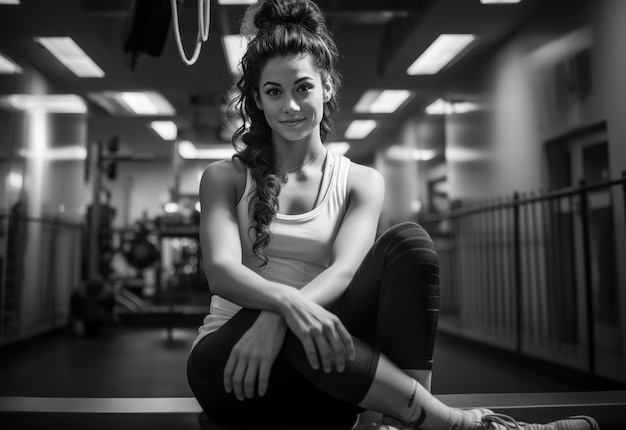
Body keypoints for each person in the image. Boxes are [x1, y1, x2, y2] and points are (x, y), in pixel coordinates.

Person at [187, 1, 600, 429]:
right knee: (304, 321)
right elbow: (220, 271)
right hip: (232, 369)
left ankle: (409, 418)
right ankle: (459, 426)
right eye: (274, 91)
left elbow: (346, 270)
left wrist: (282, 316)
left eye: (303, 87)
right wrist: (287, 306)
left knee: (409, 242)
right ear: (257, 97)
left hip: (329, 373)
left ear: (327, 86)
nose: (290, 105)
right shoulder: (224, 177)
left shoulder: (360, 181)